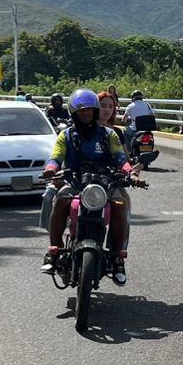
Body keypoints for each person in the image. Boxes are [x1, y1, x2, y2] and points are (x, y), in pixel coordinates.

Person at [40, 88, 136, 285]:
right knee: (61, 201)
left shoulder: (109, 135)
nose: (85, 114)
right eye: (80, 111)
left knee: (119, 205)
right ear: (74, 113)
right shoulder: (65, 135)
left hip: (104, 183)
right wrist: (50, 169)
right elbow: (55, 157)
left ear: (94, 111)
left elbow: (120, 158)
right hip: (74, 181)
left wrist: (130, 173)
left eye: (89, 110)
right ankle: (54, 250)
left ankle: (118, 258)